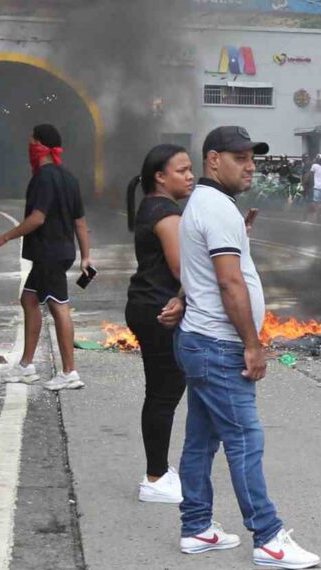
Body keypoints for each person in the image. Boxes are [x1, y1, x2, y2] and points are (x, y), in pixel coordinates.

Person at [175, 126, 319, 567]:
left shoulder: (211, 206)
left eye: (252, 157)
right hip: (219, 345)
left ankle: (196, 527)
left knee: (202, 439)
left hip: (200, 340)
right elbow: (227, 280)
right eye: (240, 158)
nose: (251, 165)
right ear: (213, 160)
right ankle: (268, 537)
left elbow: (202, 270)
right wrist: (252, 345)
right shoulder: (216, 208)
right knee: (244, 438)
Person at [0, 124, 89, 390]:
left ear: (39, 146)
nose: (29, 148)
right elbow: (80, 222)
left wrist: (5, 236)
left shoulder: (42, 178)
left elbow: (37, 218)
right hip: (61, 252)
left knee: (59, 307)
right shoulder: (70, 178)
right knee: (29, 299)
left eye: (31, 142)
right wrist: (85, 257)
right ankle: (26, 366)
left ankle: (69, 372)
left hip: (49, 252)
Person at [125, 144, 195, 504]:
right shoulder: (166, 213)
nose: (190, 175)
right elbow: (184, 269)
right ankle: (155, 477)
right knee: (164, 394)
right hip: (160, 310)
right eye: (182, 170)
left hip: (146, 305)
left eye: (190, 169)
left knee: (161, 392)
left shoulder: (153, 207)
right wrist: (183, 300)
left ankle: (160, 471)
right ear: (160, 176)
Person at [305, 154, 321, 222]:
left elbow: (310, 174)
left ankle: (316, 216)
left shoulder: (314, 166)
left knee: (316, 202)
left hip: (317, 187)